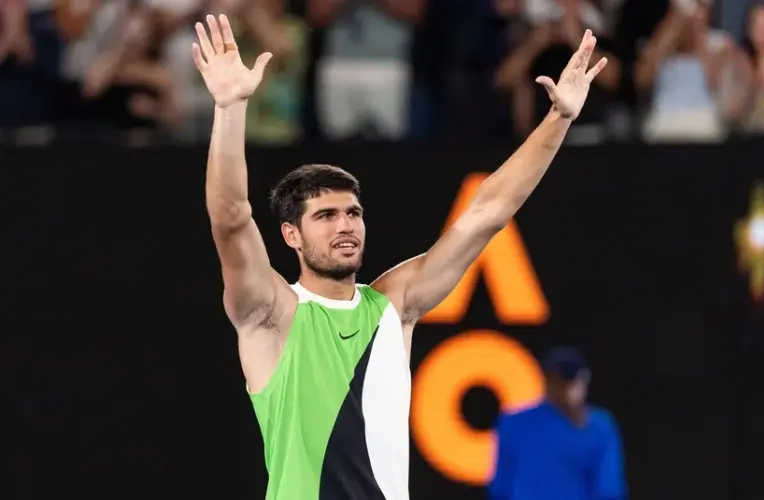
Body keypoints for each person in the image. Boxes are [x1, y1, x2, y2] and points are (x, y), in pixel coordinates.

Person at [192, 13, 607, 500]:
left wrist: (559, 119)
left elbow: (488, 213)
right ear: (291, 235)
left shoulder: (393, 304)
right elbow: (231, 217)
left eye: (353, 213)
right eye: (325, 216)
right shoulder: (271, 314)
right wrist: (230, 108)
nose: (345, 225)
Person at [488, 346, 626, 500]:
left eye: (573, 380)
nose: (567, 387)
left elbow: (608, 490)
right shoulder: (513, 424)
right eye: (562, 380)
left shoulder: (600, 427)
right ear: (548, 381)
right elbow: (500, 488)